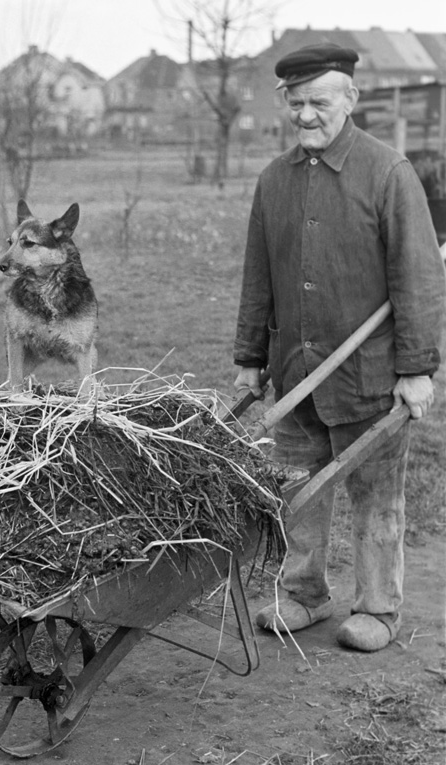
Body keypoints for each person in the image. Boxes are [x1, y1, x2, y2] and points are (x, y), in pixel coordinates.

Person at [233, 43, 445, 652]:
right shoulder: (273, 180)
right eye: (295, 103)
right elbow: (258, 277)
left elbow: (419, 280)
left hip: (368, 378)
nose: (305, 115)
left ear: (350, 99)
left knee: (376, 495)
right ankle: (304, 593)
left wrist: (416, 369)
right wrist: (250, 358)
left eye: (318, 102)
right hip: (293, 373)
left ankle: (378, 609)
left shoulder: (387, 173)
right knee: (298, 489)